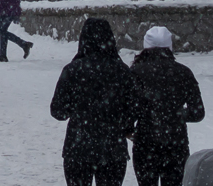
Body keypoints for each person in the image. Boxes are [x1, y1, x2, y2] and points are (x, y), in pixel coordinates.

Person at [50, 18, 143, 186]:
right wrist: (123, 125)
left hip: (78, 147)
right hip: (113, 148)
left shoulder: (72, 70)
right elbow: (135, 108)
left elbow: (58, 111)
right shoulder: (122, 71)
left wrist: (78, 108)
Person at [131, 27, 205, 186]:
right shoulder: (184, 72)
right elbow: (198, 112)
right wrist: (176, 114)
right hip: (176, 142)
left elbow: (128, 109)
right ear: (169, 47)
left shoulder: (136, 72)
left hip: (145, 141)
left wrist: (133, 126)